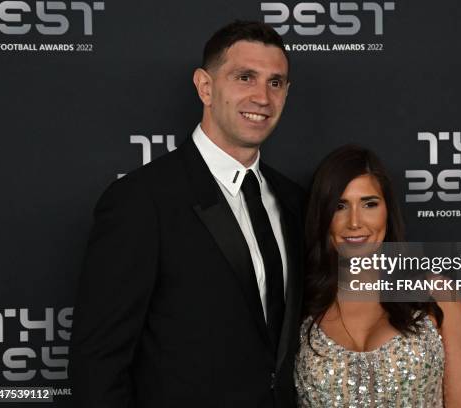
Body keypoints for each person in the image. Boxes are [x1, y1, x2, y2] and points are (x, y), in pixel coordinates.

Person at [69, 21, 305, 407]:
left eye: (275, 82)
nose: (262, 97)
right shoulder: (141, 201)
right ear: (205, 87)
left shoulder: (295, 201)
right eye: (245, 77)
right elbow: (98, 361)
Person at [295, 145, 461, 407]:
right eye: (340, 206)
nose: (355, 222)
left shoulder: (435, 292)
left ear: (387, 211)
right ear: (322, 215)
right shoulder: (297, 304)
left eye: (369, 204)